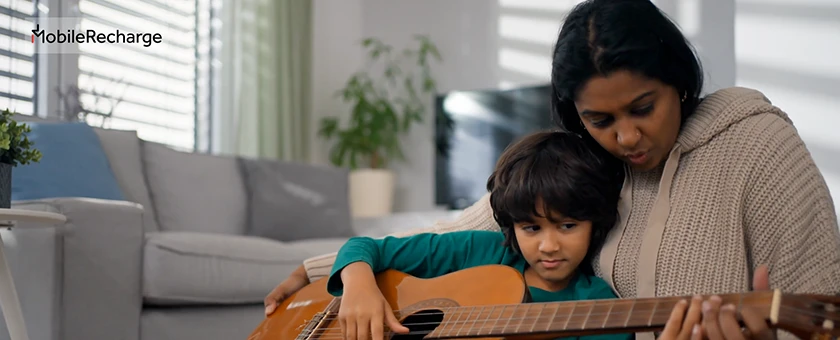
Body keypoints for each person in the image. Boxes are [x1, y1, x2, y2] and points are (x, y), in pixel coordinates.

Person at [266, 0, 840, 339]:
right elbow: (468, 229)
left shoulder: (757, 145)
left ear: (679, 82)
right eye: (600, 119)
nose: (627, 137)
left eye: (643, 108)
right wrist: (325, 270)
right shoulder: (586, 164)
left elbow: (824, 302)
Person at [327, 131, 634, 340]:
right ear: (511, 225)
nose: (549, 246)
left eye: (568, 226)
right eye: (531, 228)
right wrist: (359, 285)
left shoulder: (596, 303)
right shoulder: (480, 250)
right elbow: (363, 246)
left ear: (595, 222)